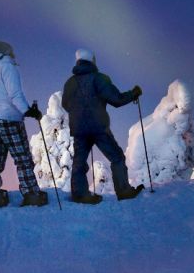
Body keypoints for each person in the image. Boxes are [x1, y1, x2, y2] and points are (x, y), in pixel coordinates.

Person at [61, 48, 143, 204]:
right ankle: (124, 191)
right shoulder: (99, 78)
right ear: (92, 61)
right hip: (99, 127)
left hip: (79, 129)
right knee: (117, 157)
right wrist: (133, 94)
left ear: (78, 61)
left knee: (79, 161)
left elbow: (66, 104)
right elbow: (116, 100)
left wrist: (79, 112)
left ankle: (80, 194)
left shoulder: (70, 82)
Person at [0, 40, 48, 209]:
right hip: (10, 118)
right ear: (5, 52)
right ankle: (31, 194)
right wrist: (28, 111)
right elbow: (15, 94)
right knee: (22, 157)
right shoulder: (8, 68)